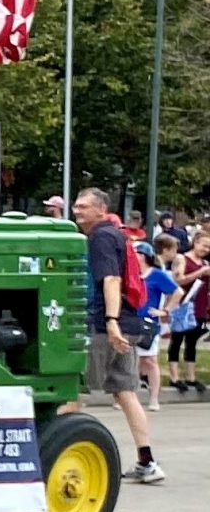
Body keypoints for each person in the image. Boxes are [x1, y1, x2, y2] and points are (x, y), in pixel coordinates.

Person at [68, 188, 160, 483]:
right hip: (130, 324)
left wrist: (109, 321)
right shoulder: (117, 235)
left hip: (108, 325)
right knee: (126, 392)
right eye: (76, 205)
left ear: (101, 209)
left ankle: (49, 458)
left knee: (71, 387)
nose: (76, 210)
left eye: (83, 206)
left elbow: (111, 279)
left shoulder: (101, 238)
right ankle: (147, 462)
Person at [138, 235, 182, 411]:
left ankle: (154, 397)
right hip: (130, 319)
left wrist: (165, 310)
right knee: (129, 360)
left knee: (150, 359)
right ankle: (126, 395)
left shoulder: (157, 274)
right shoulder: (130, 274)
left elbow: (177, 291)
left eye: (137, 253)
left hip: (148, 321)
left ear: (145, 256)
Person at [169, 234, 210, 396]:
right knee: (177, 340)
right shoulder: (182, 258)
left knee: (192, 342)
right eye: (203, 246)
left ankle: (191, 376)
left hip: (198, 306)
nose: (205, 250)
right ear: (195, 243)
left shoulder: (206, 263)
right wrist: (200, 272)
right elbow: (178, 280)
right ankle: (174, 376)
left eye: (208, 248)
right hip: (182, 304)